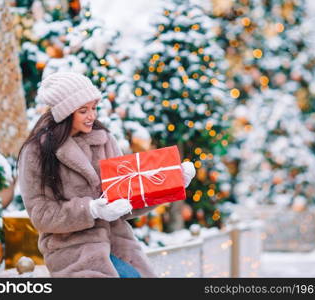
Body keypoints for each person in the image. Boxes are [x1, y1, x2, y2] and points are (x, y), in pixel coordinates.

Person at [17, 72, 196, 278]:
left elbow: (128, 200)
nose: (92, 116)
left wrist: (173, 183)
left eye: (94, 108)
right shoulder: (37, 152)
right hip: (73, 250)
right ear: (65, 113)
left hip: (118, 244)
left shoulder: (104, 140)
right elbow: (41, 215)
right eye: (83, 110)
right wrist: (91, 210)